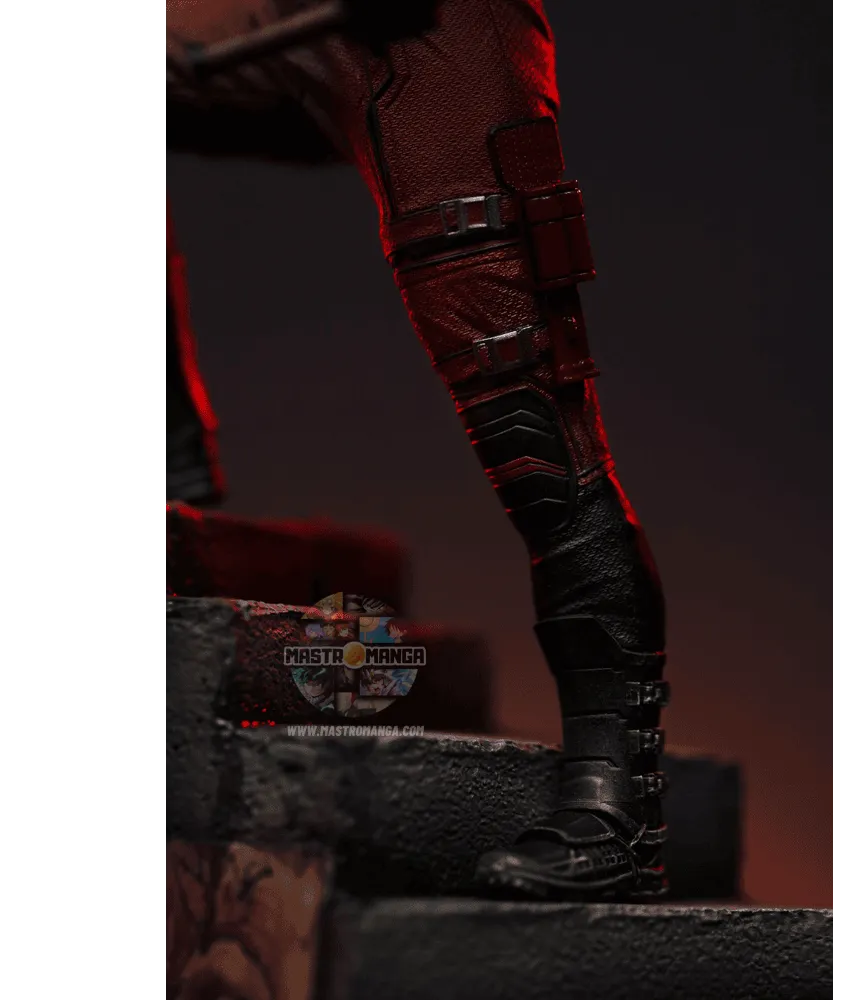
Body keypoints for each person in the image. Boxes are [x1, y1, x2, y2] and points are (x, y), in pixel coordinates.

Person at [162, 0, 669, 900]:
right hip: (285, 16)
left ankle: (616, 808)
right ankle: (171, 455)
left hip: (435, 27)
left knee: (537, 434)